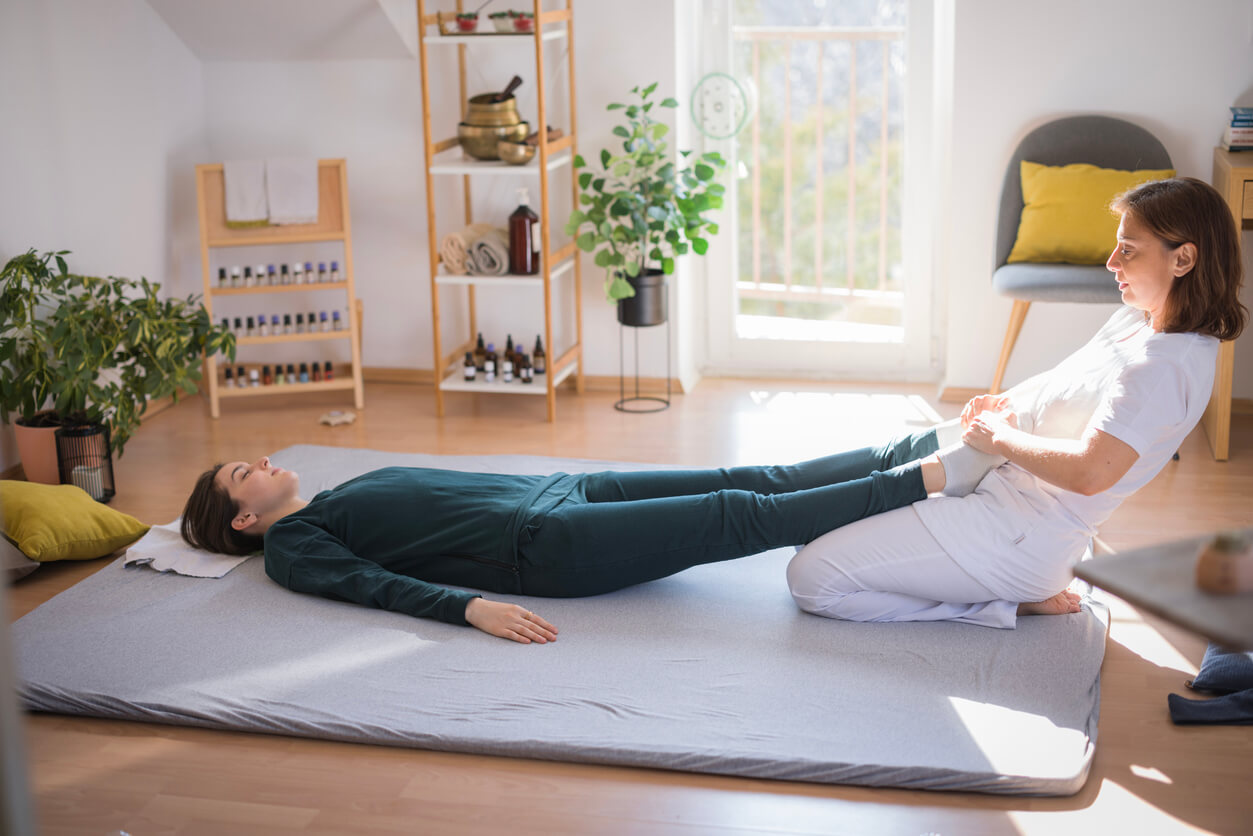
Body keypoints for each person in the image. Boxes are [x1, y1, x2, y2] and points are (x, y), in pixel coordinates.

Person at [787, 177, 1247, 628]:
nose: (1111, 262)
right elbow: (1062, 383)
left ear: (1183, 258)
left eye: (1128, 249)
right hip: (998, 485)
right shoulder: (1137, 319)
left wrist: (1002, 437)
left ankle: (1005, 604)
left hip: (1017, 537)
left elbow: (1090, 473)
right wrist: (1002, 406)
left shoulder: (1165, 368)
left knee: (810, 578)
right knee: (812, 528)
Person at [180, 425, 1018, 644]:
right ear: (245, 520)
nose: (255, 463)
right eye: (239, 476)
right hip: (550, 547)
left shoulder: (334, 492)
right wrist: (467, 608)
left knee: (744, 477)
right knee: (739, 520)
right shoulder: (293, 547)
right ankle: (936, 476)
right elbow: (371, 586)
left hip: (563, 489)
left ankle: (912, 448)